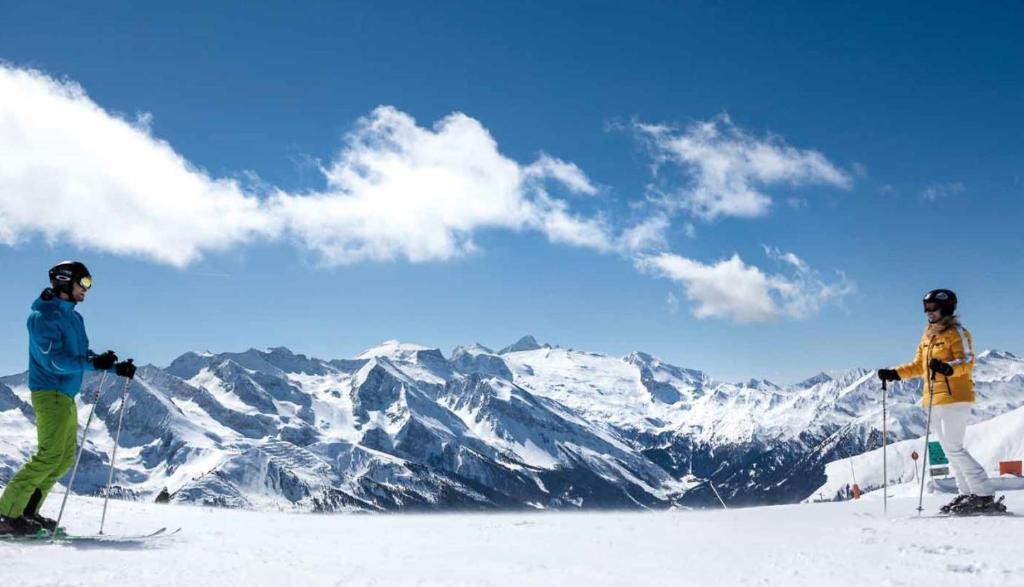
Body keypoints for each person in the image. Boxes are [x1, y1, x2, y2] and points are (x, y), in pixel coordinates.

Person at [0, 261, 136, 536]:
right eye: (84, 282)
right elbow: (54, 362)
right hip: (48, 392)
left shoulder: (74, 319)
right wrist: (94, 364)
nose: (87, 288)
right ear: (65, 281)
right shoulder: (43, 318)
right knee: (48, 455)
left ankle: (26, 512)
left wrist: (112, 366)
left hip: (66, 395)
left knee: (62, 459)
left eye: (89, 283)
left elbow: (80, 356)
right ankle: (6, 515)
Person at [877, 289, 1005, 515]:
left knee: (954, 448)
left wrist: (947, 368)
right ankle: (967, 493)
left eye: (933, 308)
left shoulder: (957, 333)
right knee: (949, 449)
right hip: (933, 398)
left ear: (945, 309)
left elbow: (967, 361)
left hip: (955, 396)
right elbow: (918, 366)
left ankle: (983, 494)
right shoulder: (928, 336)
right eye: (926, 308)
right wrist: (895, 374)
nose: (928, 312)